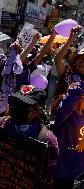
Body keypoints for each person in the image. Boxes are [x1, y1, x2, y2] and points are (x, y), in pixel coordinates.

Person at [0, 85, 59, 189]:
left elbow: (47, 179)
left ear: (37, 110)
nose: (16, 107)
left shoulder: (48, 140)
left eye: (23, 105)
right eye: (15, 102)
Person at [52, 25, 84, 189]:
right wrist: (71, 39)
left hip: (78, 131)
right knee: (56, 162)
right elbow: (57, 59)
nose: (82, 62)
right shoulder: (67, 74)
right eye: (79, 59)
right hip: (60, 125)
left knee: (73, 168)